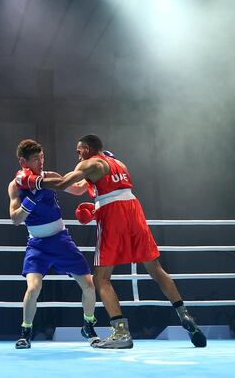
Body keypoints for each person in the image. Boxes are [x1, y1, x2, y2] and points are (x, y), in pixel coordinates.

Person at [15, 134, 206, 349]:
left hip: (111, 215)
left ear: (87, 149)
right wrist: (96, 207)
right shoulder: (117, 162)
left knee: (101, 278)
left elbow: (61, 184)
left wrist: (32, 181)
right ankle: (185, 314)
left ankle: (120, 332)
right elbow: (89, 190)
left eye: (79, 151)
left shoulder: (89, 163)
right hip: (134, 210)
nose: (77, 156)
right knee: (155, 268)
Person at [8, 139, 100, 349]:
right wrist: (29, 203)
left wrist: (94, 174)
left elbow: (76, 189)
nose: (41, 162)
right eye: (35, 159)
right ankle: (26, 331)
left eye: (42, 157)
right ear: (23, 161)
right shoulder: (15, 186)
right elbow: (15, 219)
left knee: (88, 284)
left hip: (61, 240)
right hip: (37, 245)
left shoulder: (49, 177)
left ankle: (88, 325)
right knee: (33, 288)